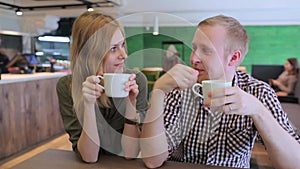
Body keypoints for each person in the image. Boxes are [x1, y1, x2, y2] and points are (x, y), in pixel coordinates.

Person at [140, 15, 300, 168]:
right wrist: (157, 94)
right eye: (194, 48)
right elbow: (152, 160)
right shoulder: (179, 88)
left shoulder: (258, 93)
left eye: (206, 50)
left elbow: (294, 164)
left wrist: (258, 111)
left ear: (233, 58)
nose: (194, 58)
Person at [56, 11, 148, 163]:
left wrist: (131, 104)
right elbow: (89, 157)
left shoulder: (137, 80)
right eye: (113, 48)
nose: (124, 55)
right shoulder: (67, 86)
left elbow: (131, 153)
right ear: (91, 54)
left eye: (123, 45)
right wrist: (89, 105)